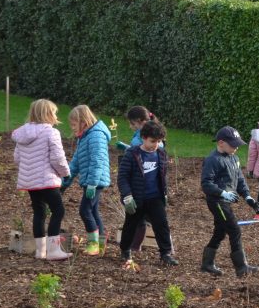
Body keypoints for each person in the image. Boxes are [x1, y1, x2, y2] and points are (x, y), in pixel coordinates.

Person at [12, 98, 72, 261]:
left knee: (39, 212)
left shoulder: (22, 134)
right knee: (58, 210)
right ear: (47, 113)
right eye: (54, 112)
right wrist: (66, 173)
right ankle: (53, 251)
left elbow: (17, 158)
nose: (55, 115)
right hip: (47, 180)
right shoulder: (51, 132)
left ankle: (40, 251)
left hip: (30, 182)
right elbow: (57, 158)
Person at [201, 126, 259, 277]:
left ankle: (207, 264)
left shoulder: (234, 158)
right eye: (233, 145)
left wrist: (248, 198)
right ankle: (241, 267)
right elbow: (206, 183)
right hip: (217, 201)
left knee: (220, 232)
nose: (236, 148)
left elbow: (240, 180)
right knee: (234, 230)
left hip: (225, 201)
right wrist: (223, 193)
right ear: (221, 143)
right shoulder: (212, 160)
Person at [117, 119, 177, 268]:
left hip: (155, 197)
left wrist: (165, 193)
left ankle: (165, 254)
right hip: (136, 198)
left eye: (158, 141)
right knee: (131, 225)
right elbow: (122, 177)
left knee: (161, 224)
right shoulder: (132, 154)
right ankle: (125, 250)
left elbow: (163, 175)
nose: (154, 145)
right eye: (152, 141)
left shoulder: (161, 153)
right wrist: (127, 196)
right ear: (143, 137)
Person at [64, 104, 112, 256]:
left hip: (95, 181)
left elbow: (97, 161)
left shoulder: (96, 135)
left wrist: (92, 183)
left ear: (83, 121)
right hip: (90, 180)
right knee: (93, 210)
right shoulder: (84, 137)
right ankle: (101, 244)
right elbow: (76, 161)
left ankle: (93, 244)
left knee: (84, 210)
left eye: (74, 124)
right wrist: (65, 181)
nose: (72, 127)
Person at [116, 106, 163, 252]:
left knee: (159, 222)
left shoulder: (154, 142)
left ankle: (165, 250)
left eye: (132, 124)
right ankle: (129, 249)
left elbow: (142, 152)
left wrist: (128, 149)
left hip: (150, 192)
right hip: (136, 189)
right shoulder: (140, 136)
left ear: (141, 122)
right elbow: (123, 174)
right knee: (135, 221)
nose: (131, 127)